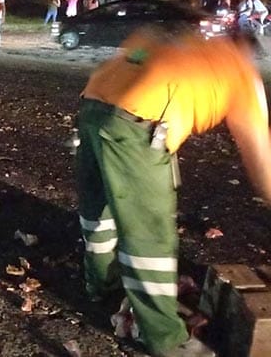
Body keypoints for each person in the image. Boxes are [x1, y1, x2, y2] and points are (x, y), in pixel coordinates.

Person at [75, 26, 271, 357]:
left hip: (92, 106)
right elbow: (259, 152)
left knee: (99, 208)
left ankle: (101, 283)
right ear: (247, 53)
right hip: (140, 123)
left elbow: (133, 49)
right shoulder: (241, 73)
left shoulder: (183, 43)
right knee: (149, 235)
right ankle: (166, 338)